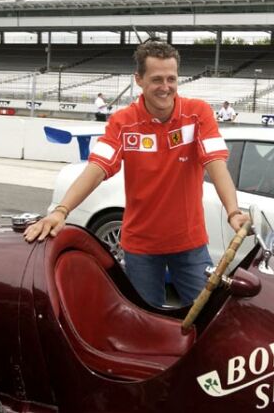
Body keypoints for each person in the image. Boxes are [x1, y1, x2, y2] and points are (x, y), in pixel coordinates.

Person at [24, 40, 250, 308]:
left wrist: (233, 211)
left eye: (171, 78)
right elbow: (97, 168)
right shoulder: (122, 122)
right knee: (143, 322)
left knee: (208, 316)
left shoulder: (197, 114)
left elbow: (216, 164)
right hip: (140, 247)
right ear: (139, 80)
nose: (165, 87)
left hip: (190, 243)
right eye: (156, 79)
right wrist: (61, 211)